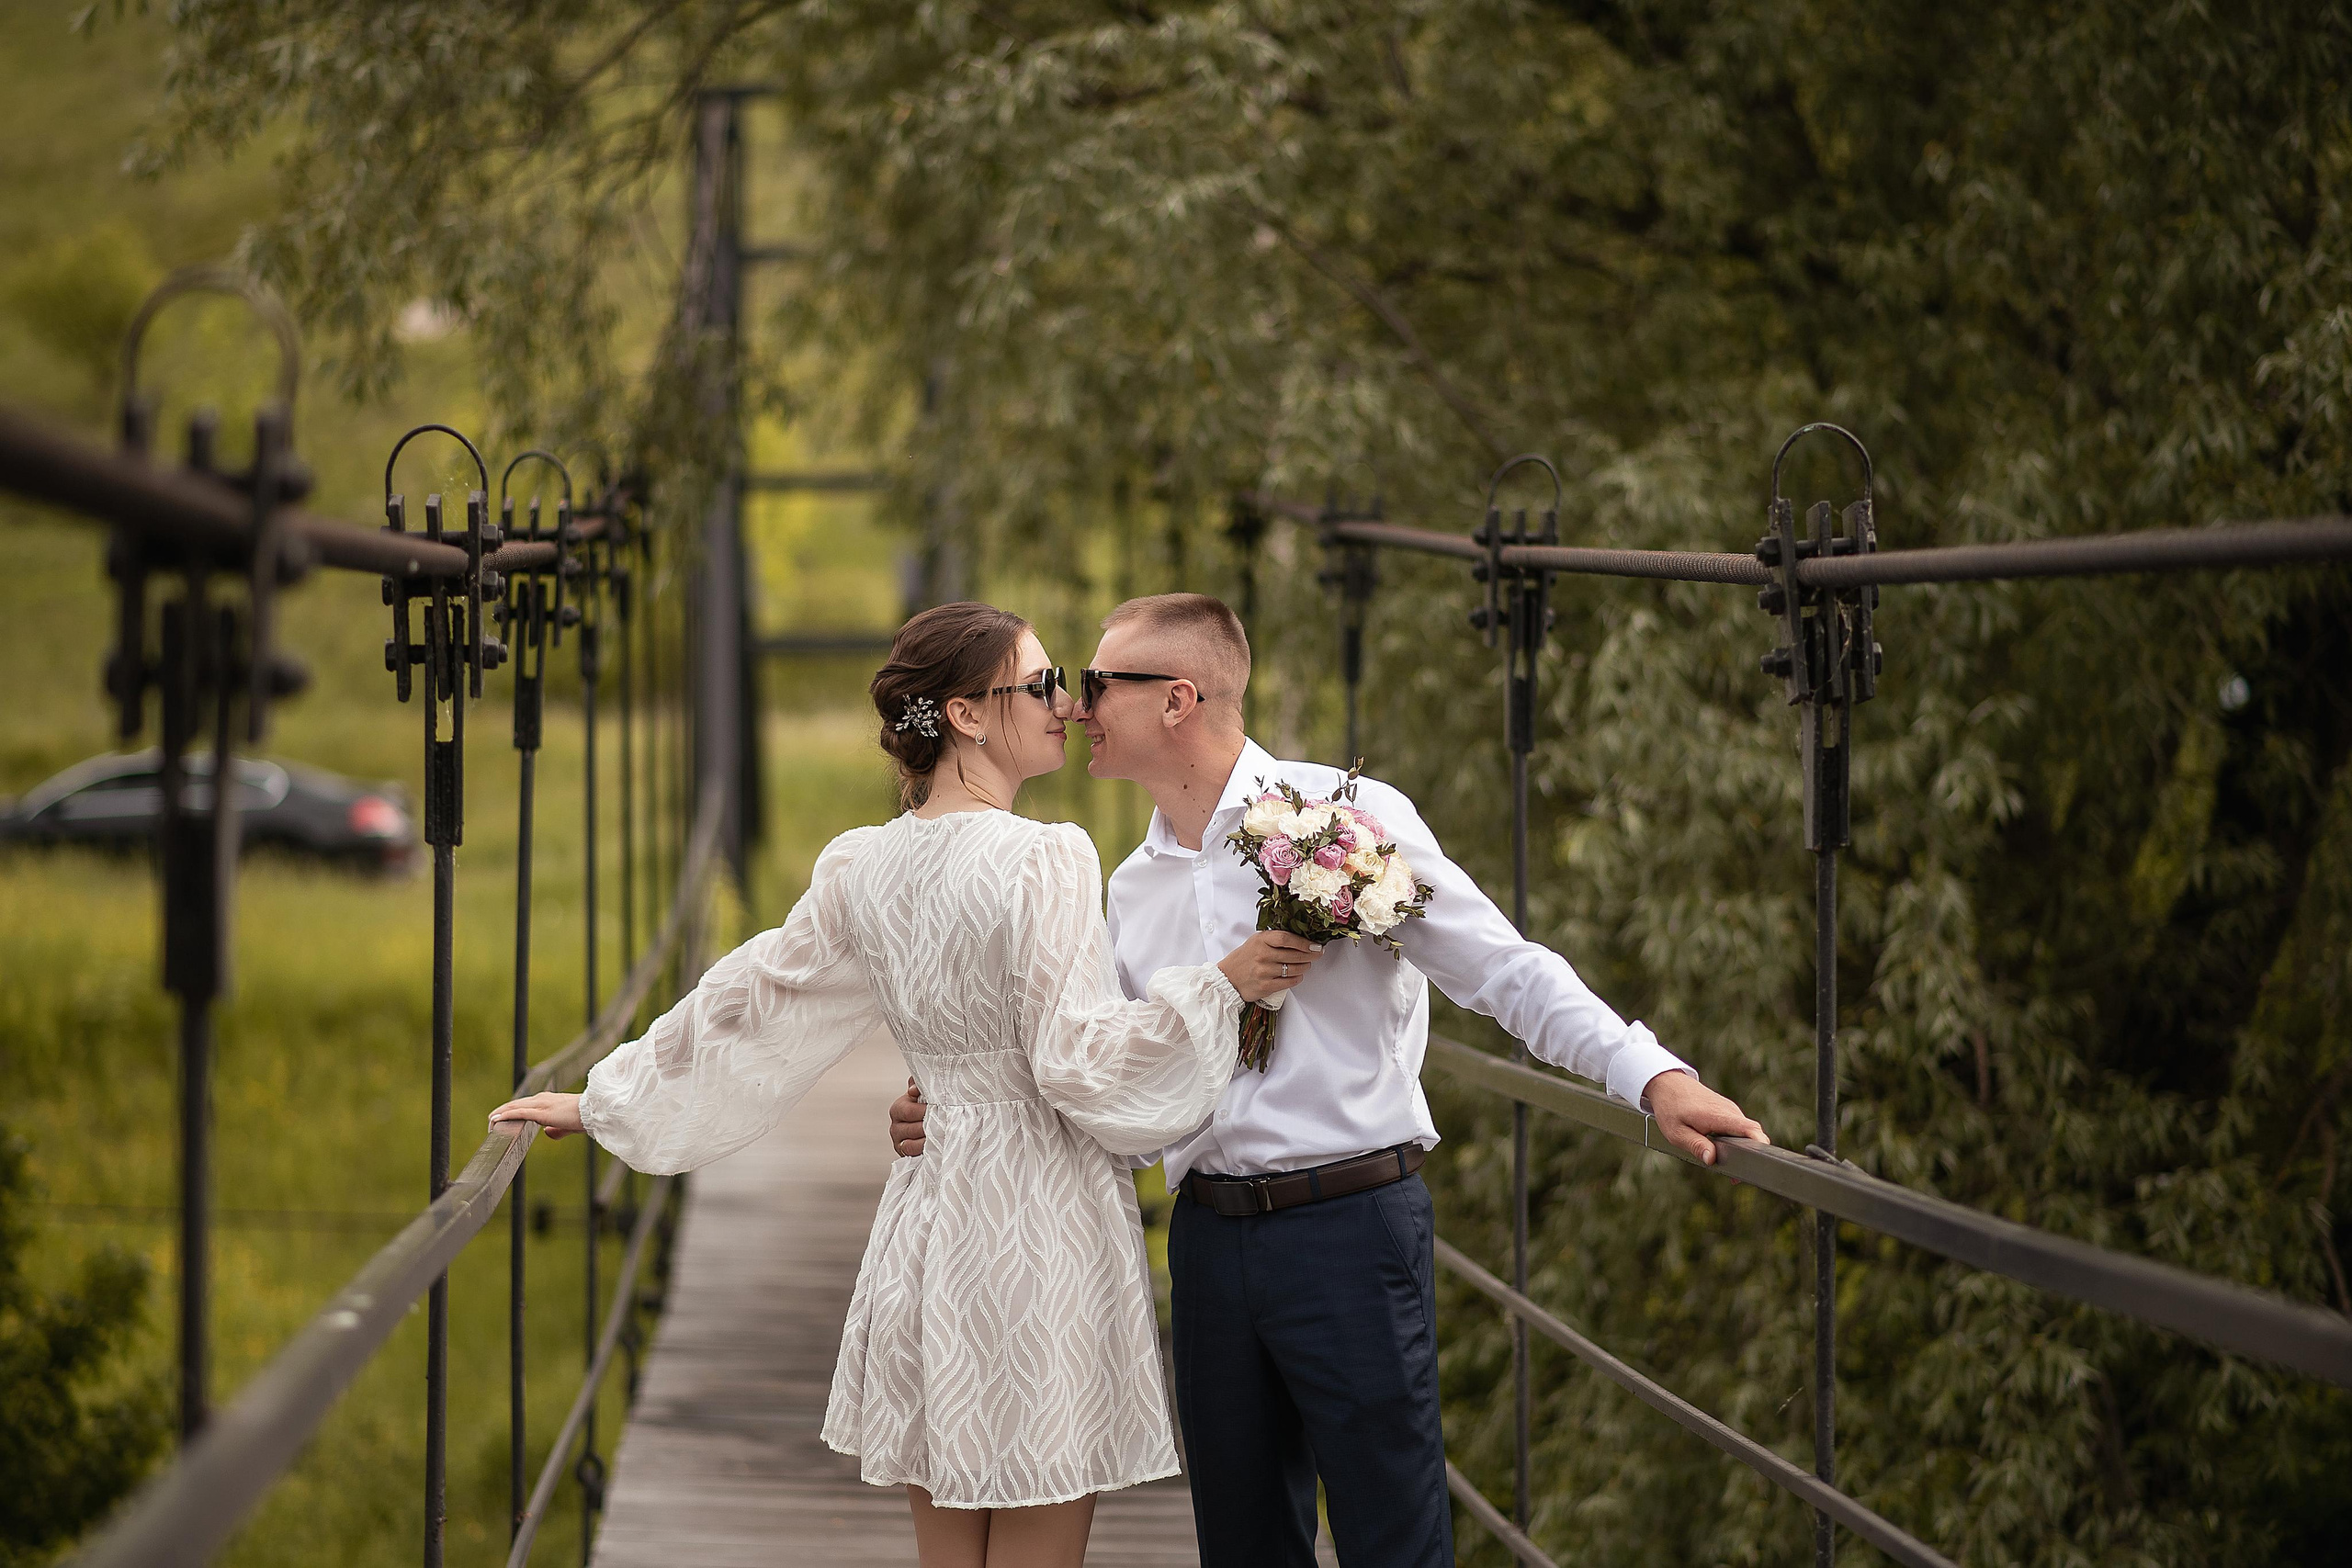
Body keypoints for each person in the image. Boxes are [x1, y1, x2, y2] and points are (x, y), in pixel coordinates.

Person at [888, 592, 1770, 1567]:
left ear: (1177, 698)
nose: (1076, 705)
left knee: (1393, 1541)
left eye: (1097, 683)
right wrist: (957, 1111)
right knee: (1243, 1549)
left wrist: (1650, 1075)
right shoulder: (1127, 886)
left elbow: (1501, 968)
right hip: (1208, 1245)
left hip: (1348, 1230)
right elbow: (1107, 1077)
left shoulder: (1344, 818)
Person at [489, 601, 1326, 1568]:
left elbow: (757, 994)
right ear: (966, 715)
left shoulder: (863, 863)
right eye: (1041, 685)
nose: (1067, 704)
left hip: (930, 1228)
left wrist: (605, 1101)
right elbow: (1078, 1061)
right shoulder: (1046, 857)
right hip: (1039, 1230)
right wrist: (1221, 987)